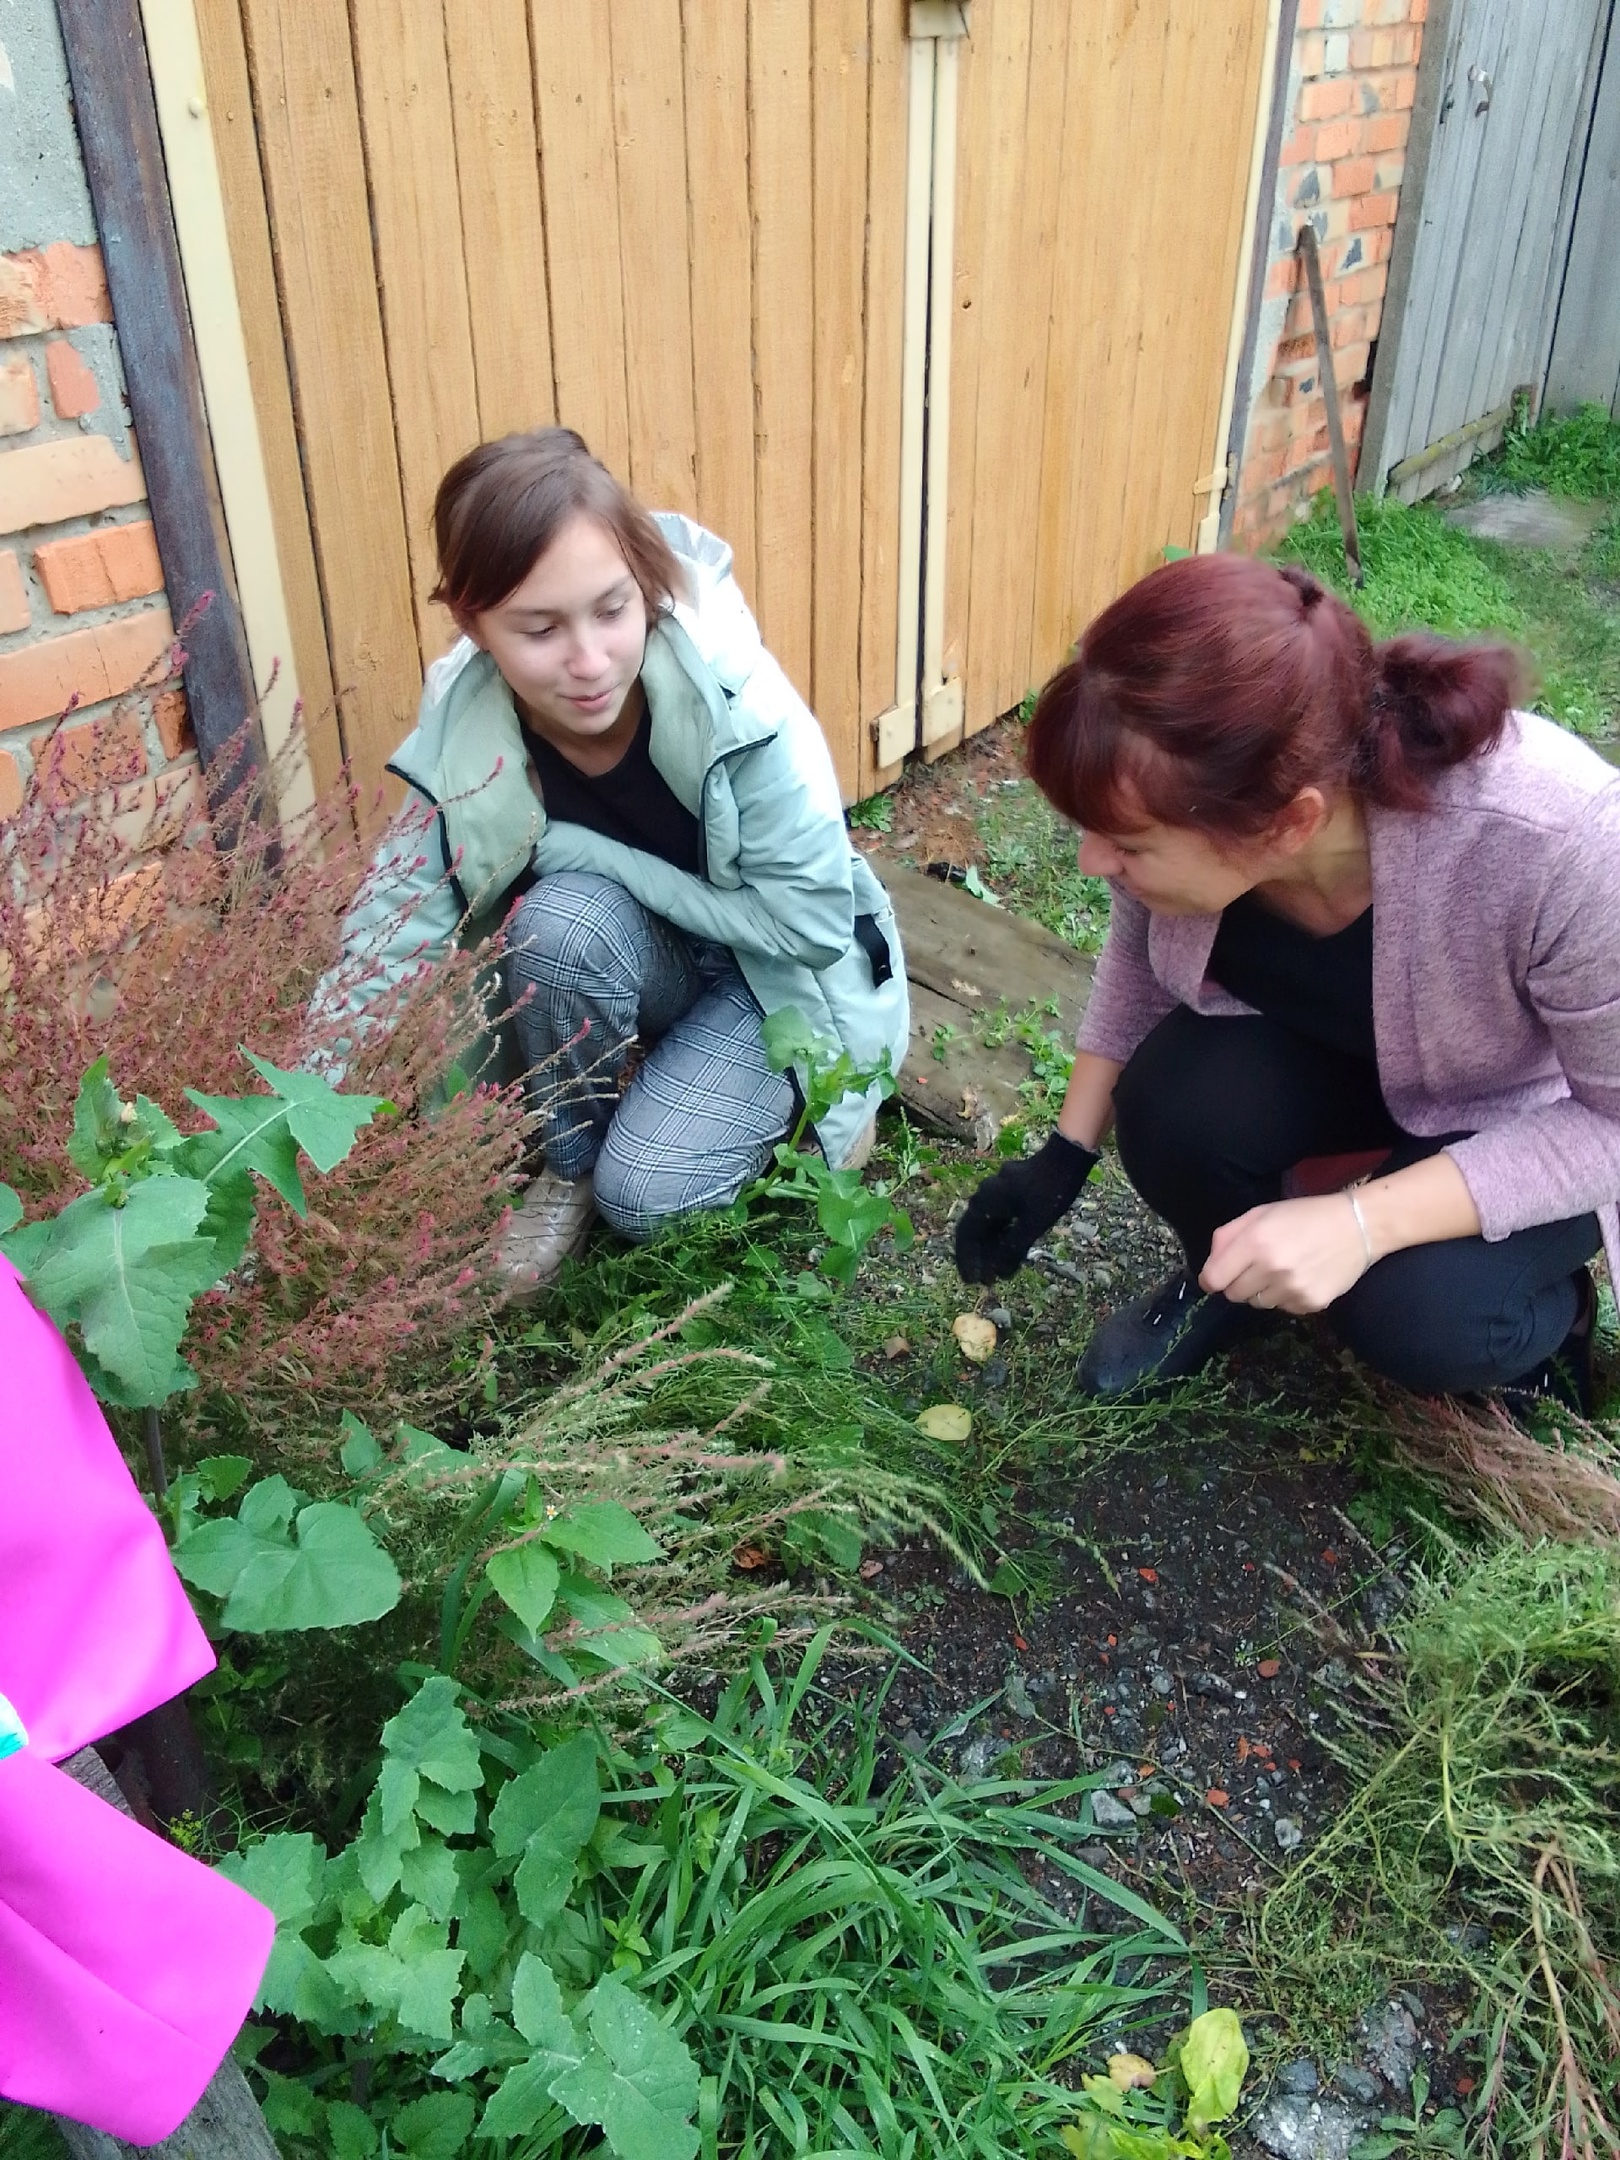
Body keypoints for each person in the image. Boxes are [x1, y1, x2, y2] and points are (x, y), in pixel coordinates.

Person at [955, 551, 1620, 1413]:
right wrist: (1063, 1156)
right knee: (1167, 1104)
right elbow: (1135, 960)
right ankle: (1232, 1287)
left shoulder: (1557, 844)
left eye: (1128, 844)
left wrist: (1361, 1223)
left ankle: (1540, 1327)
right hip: (1355, 1061)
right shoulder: (1202, 797)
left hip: (1510, 1112)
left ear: (1288, 822)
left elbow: (1612, 1124)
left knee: (1414, 1314)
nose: (1093, 864)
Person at [317, 428, 909, 1296]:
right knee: (559, 920)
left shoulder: (740, 699)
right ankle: (573, 1162)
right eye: (539, 629)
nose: (590, 662)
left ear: (644, 581)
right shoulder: (467, 729)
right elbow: (386, 937)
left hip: (777, 976)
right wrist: (281, 1130)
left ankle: (816, 1103)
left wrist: (593, 852)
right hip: (633, 953)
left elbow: (808, 928)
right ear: (469, 622)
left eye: (611, 609)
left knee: (649, 1200)